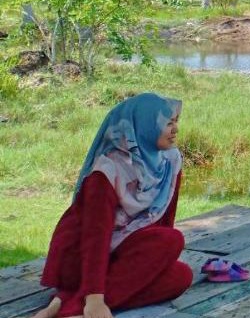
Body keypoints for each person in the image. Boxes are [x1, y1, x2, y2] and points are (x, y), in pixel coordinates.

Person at [32, 93, 192, 318]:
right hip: (81, 259)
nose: (175, 129)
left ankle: (67, 301)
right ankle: (81, 305)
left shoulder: (169, 161)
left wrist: (155, 263)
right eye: (168, 123)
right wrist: (95, 297)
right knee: (173, 240)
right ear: (144, 126)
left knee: (181, 276)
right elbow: (94, 236)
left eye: (177, 121)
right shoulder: (108, 169)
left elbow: (164, 221)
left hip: (123, 257)